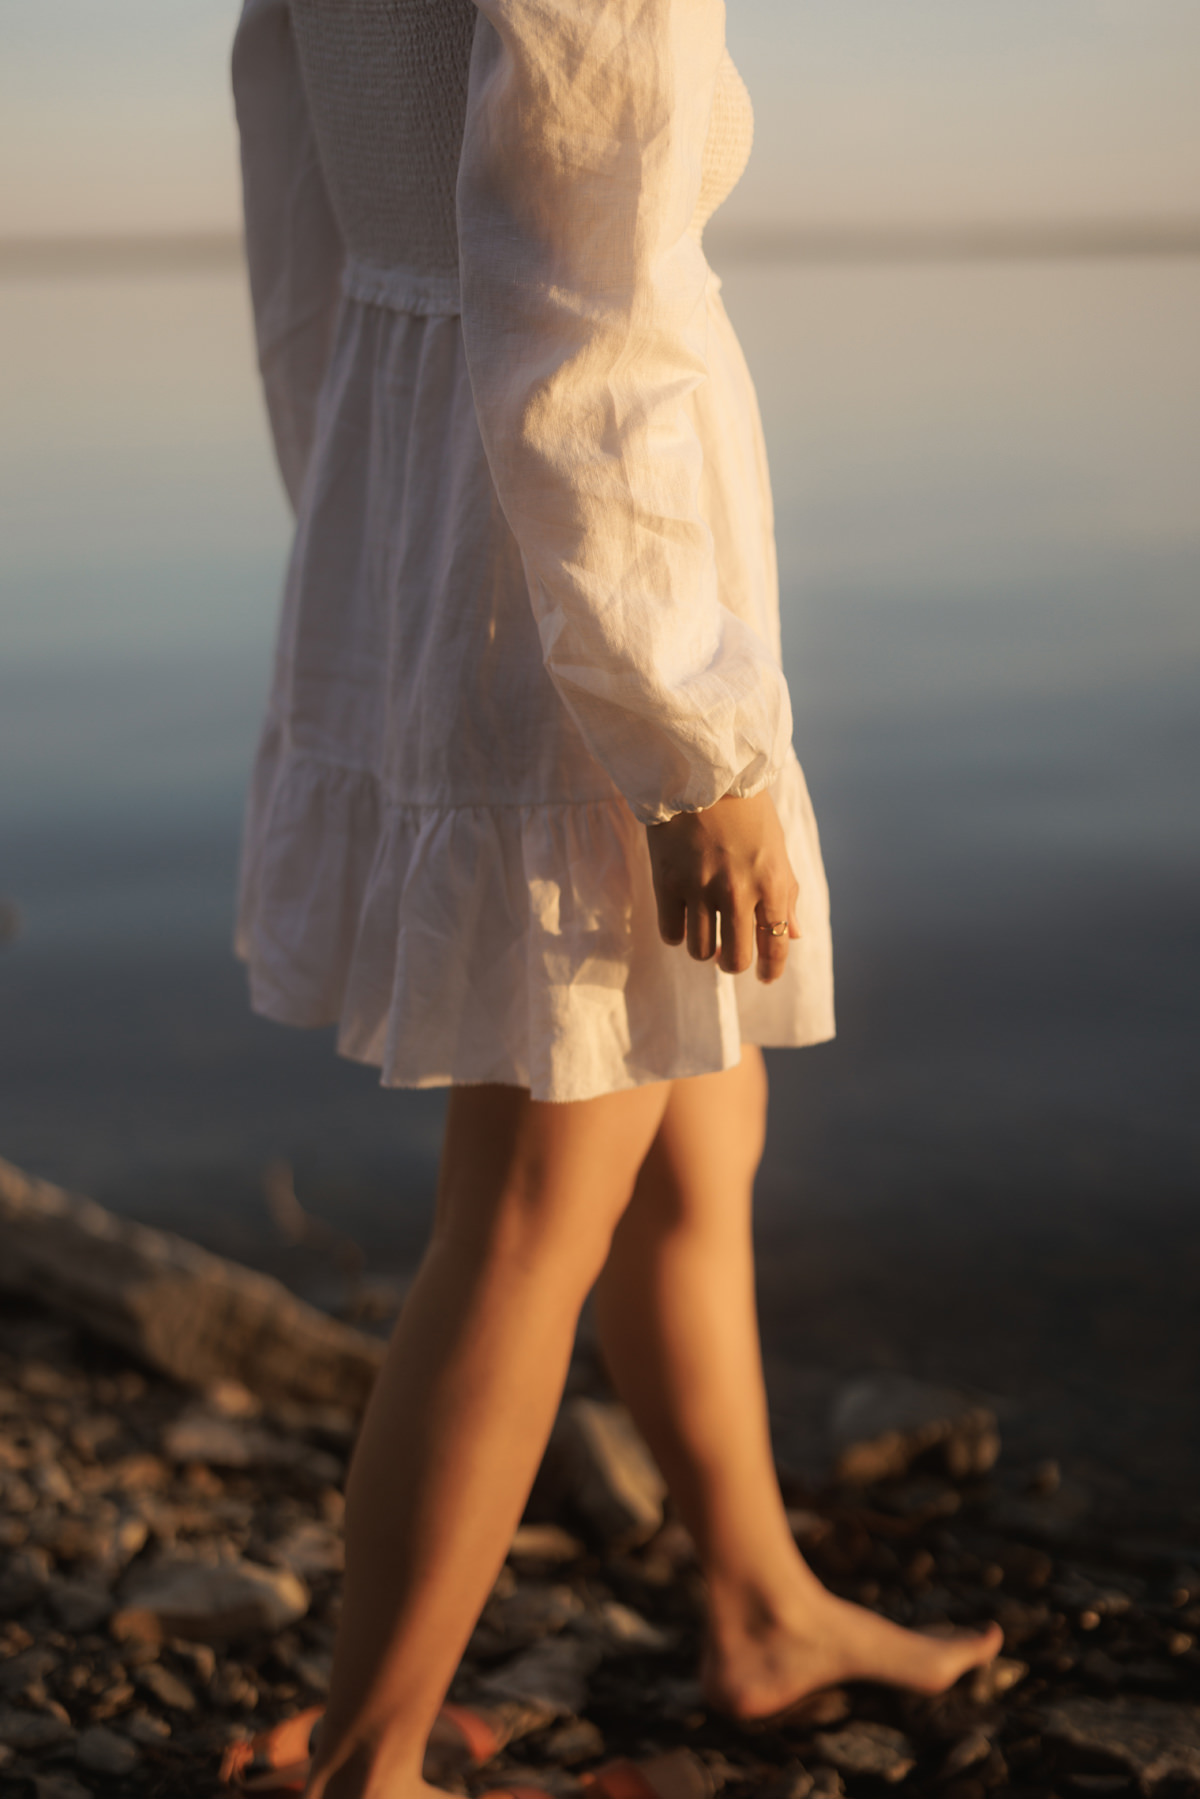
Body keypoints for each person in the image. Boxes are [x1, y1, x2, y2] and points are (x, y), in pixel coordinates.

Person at [230, 2, 1002, 1795]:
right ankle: (372, 1764)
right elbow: (590, 286)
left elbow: (304, 231)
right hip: (575, 575)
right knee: (528, 1208)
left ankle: (756, 1604)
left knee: (697, 1127)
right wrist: (692, 742)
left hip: (444, 496)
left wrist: (362, 524)